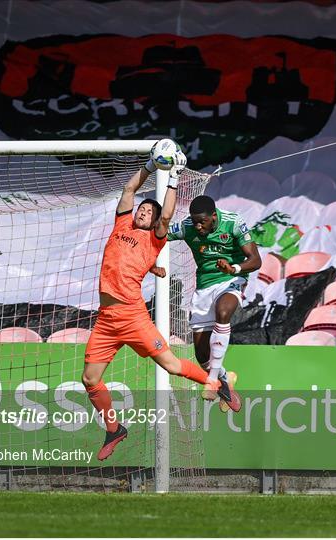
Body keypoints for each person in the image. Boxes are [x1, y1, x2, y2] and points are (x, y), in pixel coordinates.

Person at [82, 148, 223, 461]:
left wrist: (173, 178)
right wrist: (148, 166)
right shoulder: (121, 226)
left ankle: (216, 381)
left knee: (172, 366)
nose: (143, 211)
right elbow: (129, 189)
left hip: (132, 317)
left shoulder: (155, 238)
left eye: (149, 210)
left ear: (156, 220)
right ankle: (114, 429)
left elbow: (169, 215)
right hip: (106, 319)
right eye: (141, 209)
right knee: (89, 379)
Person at [165, 195, 262, 411]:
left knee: (223, 312)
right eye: (195, 221)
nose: (198, 226)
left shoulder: (233, 222)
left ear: (214, 216)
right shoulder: (187, 226)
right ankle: (225, 378)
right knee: (201, 354)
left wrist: (233, 269)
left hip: (231, 279)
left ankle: (212, 380)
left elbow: (255, 260)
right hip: (204, 286)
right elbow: (160, 233)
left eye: (203, 221)